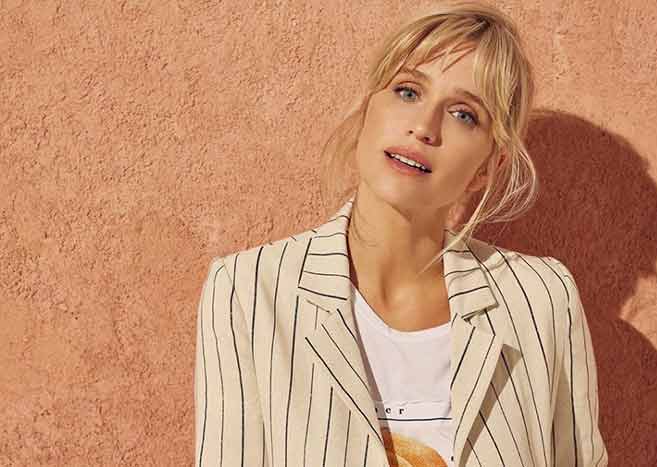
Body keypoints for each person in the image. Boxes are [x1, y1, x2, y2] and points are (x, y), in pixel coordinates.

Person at [194, 1, 608, 466]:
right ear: (368, 108)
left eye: (464, 114)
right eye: (408, 91)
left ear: (488, 166)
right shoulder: (249, 291)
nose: (424, 128)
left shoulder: (541, 299)